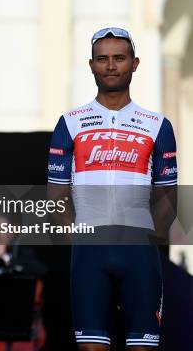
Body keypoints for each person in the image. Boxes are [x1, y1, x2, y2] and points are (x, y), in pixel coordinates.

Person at [47, 27, 178, 351]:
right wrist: (77, 241)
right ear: (91, 65)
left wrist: (149, 239)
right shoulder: (70, 122)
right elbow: (56, 196)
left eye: (118, 58)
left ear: (134, 64)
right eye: (102, 59)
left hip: (139, 251)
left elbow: (168, 195)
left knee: (142, 346)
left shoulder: (157, 124)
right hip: (89, 251)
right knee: (91, 347)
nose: (110, 66)